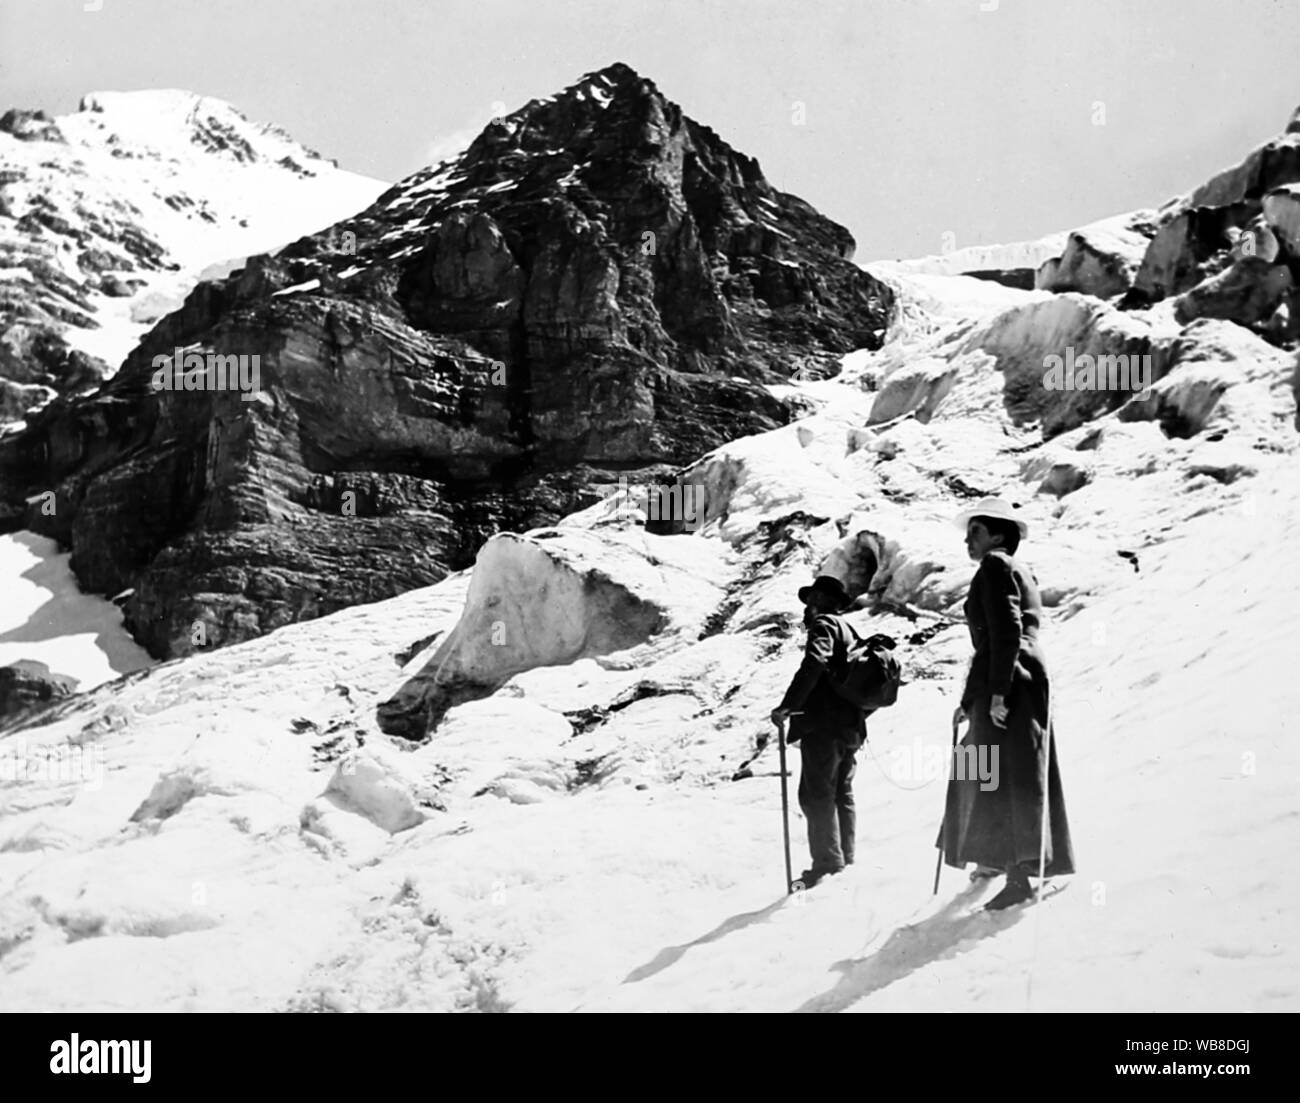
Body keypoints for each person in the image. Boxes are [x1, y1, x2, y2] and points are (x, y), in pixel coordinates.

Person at [938, 498, 1075, 910]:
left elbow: (1006, 632)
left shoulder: (996, 566)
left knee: (1004, 773)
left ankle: (1019, 875)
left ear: (999, 534)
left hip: (1011, 678)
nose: (968, 539)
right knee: (988, 765)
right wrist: (970, 699)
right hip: (1015, 676)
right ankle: (996, 857)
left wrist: (997, 693)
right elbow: (994, 642)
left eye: (975, 531)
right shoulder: (1018, 570)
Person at [771, 575, 869, 888]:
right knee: (841, 789)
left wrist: (788, 705)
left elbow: (814, 661)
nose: (807, 608)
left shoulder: (824, 625)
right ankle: (844, 856)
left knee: (816, 793)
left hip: (824, 724)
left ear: (820, 600)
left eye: (811, 599)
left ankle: (827, 864)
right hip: (850, 725)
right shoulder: (850, 630)